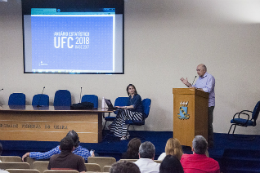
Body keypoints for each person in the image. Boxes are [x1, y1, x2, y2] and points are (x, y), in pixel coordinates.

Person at [180, 64, 215, 147]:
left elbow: (208, 89)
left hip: (208, 104)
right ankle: (198, 142)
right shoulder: (199, 79)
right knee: (199, 123)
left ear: (204, 70)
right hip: (199, 104)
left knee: (208, 123)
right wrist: (188, 84)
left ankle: (209, 142)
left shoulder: (210, 77)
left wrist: (197, 89)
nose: (197, 72)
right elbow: (194, 88)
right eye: (196, 70)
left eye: (198, 70)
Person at [22, 130, 94, 162]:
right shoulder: (85, 152)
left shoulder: (58, 150)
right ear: (78, 142)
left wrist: (29, 154)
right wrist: (92, 156)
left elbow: (44, 155)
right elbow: (92, 162)